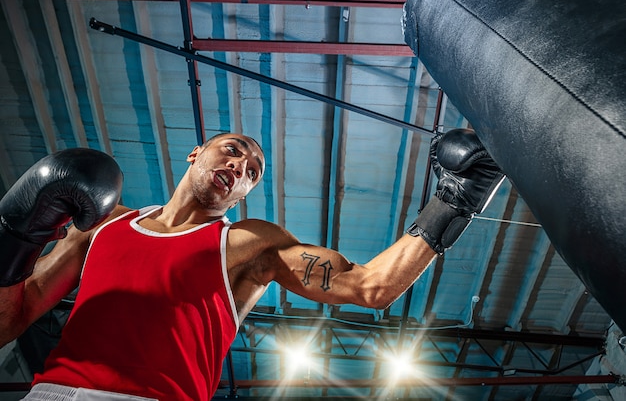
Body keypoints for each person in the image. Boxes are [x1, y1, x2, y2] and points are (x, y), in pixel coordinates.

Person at [0, 129, 504, 401]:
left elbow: (372, 287)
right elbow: (11, 320)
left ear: (243, 193)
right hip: (53, 394)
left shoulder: (247, 243)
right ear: (198, 152)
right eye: (234, 151)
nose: (240, 167)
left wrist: (455, 200)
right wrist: (18, 237)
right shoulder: (103, 225)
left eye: (252, 172)